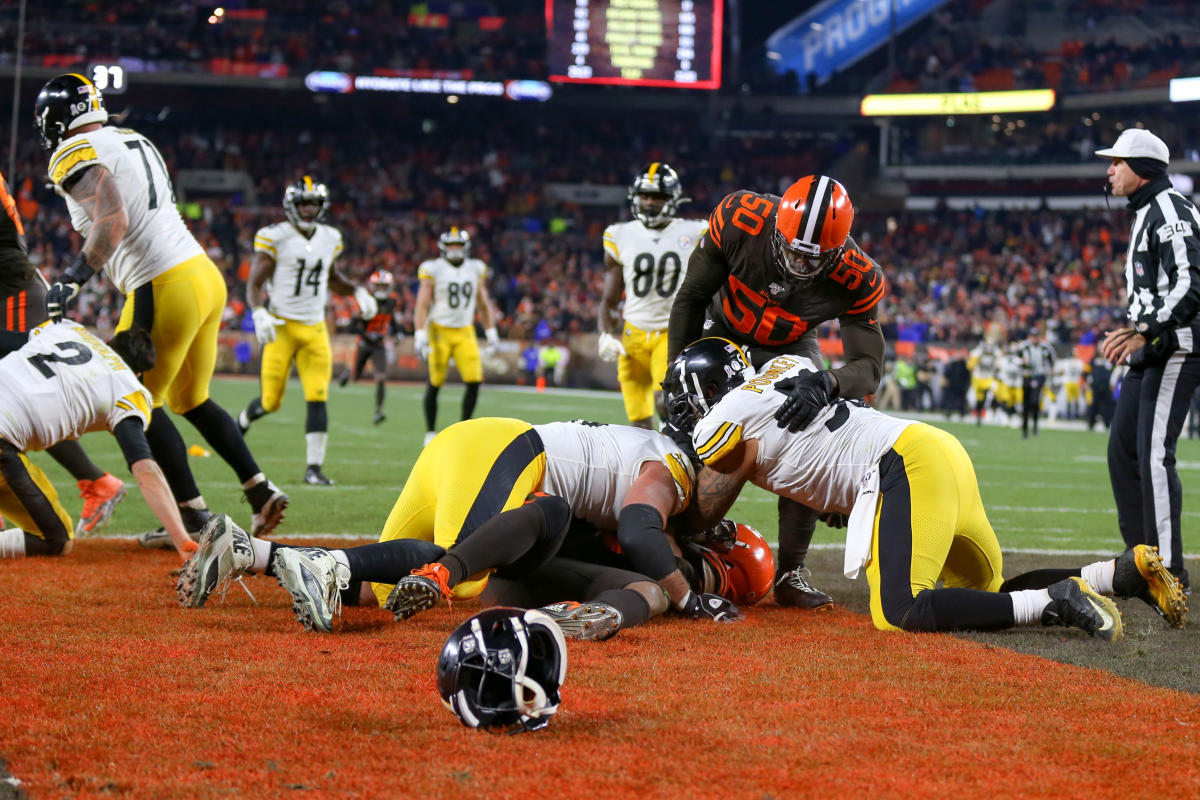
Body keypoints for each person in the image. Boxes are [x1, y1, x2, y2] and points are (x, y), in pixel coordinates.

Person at [665, 338, 1188, 634]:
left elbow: (706, 510)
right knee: (982, 596)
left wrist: (663, 525)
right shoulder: (789, 364)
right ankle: (1120, 574)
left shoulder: (724, 420)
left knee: (900, 611)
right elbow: (806, 451)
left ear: (708, 390)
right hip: (937, 452)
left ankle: (1056, 599)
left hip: (903, 466)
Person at [33, 73, 288, 544]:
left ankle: (193, 518)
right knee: (191, 398)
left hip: (163, 282)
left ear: (59, 119)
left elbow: (113, 217)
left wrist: (72, 278)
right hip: (203, 276)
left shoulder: (72, 151)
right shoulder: (133, 138)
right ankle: (259, 490)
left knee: (134, 403)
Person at [177, 419, 739, 633]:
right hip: (505, 448)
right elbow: (642, 534)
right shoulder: (673, 468)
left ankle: (253, 554)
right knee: (461, 570)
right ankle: (332, 564)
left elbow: (628, 553)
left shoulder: (648, 456)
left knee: (377, 590)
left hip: (472, 445)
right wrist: (690, 598)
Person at [667, 174, 886, 611]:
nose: (799, 266)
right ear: (777, 232)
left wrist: (829, 382)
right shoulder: (740, 218)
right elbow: (691, 297)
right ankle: (675, 537)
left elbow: (870, 366)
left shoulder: (859, 276)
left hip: (788, 344)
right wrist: (676, 374)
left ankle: (791, 571)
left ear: (839, 251)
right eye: (791, 251)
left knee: (809, 425)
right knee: (688, 423)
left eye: (813, 259)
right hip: (722, 328)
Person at [1096, 128, 1200, 594]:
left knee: (1156, 457)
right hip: (1154, 347)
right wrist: (1135, 328)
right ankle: (1143, 563)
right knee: (1123, 454)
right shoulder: (1145, 212)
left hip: (1174, 346)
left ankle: (1170, 574)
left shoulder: (1170, 208)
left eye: (1117, 161)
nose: (1110, 170)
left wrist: (1143, 330)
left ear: (1142, 168)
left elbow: (1190, 283)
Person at [0, 321, 197, 560]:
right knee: (56, 539)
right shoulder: (128, 388)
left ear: (108, 342)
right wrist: (183, 540)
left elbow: (7, 341)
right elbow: (145, 469)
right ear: (138, 373)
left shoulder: (69, 329)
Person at [0, 166, 126, 536]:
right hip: (10, 287)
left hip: (11, 292)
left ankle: (97, 481)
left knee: (23, 394)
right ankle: (96, 481)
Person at [236, 176, 378, 485]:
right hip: (281, 327)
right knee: (271, 401)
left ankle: (314, 468)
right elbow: (255, 283)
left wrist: (357, 291)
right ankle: (242, 422)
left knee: (318, 394)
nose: (310, 209)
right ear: (291, 205)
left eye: (314, 203)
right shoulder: (275, 237)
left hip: (314, 328)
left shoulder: (330, 237)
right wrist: (258, 311)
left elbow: (331, 276)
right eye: (304, 203)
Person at [598, 163, 708, 428]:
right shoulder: (619, 234)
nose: (649, 202)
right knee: (638, 418)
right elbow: (610, 299)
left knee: (666, 401)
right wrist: (605, 333)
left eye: (657, 197)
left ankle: (679, 454)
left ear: (672, 199)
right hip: (632, 333)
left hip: (670, 330)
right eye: (645, 196)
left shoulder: (693, 232)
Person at [413, 228, 499, 446]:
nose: (454, 249)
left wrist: (490, 330)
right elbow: (422, 302)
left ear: (466, 248)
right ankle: (430, 431)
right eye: (451, 245)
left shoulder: (475, 268)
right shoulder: (433, 268)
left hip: (465, 330)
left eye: (458, 245)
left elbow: (482, 302)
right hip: (439, 330)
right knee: (435, 381)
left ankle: (464, 427)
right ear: (443, 248)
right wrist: (420, 332)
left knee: (474, 380)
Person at [338, 268, 400, 425]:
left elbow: (391, 319)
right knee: (356, 377)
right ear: (373, 286)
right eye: (379, 286)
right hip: (365, 343)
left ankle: (379, 411)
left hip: (378, 344)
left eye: (384, 286)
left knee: (381, 378)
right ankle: (349, 373)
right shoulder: (367, 301)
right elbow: (353, 325)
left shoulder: (392, 302)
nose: (381, 290)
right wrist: (366, 333)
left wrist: (397, 332)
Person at [1017, 326, 1056, 438]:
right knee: (1025, 404)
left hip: (1039, 376)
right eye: (1032, 336)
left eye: (1036, 336)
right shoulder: (1024, 346)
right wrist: (1021, 362)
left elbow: (1052, 359)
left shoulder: (1045, 347)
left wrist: (1051, 370)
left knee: (1035, 402)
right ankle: (1024, 429)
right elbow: (1015, 359)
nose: (1034, 339)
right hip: (1027, 375)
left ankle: (1034, 426)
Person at [967, 332, 1002, 425]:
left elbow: (999, 360)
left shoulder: (995, 351)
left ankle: (994, 412)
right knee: (980, 398)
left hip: (988, 377)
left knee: (994, 392)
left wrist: (997, 367)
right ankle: (979, 414)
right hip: (978, 377)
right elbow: (970, 364)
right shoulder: (979, 350)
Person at [1085, 350, 1116, 431]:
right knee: (1093, 405)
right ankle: (1090, 423)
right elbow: (1087, 372)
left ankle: (1107, 424)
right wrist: (1087, 382)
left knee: (1107, 406)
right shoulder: (1093, 360)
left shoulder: (1111, 360)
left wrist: (1113, 384)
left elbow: (1116, 372)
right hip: (1095, 387)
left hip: (1106, 387)